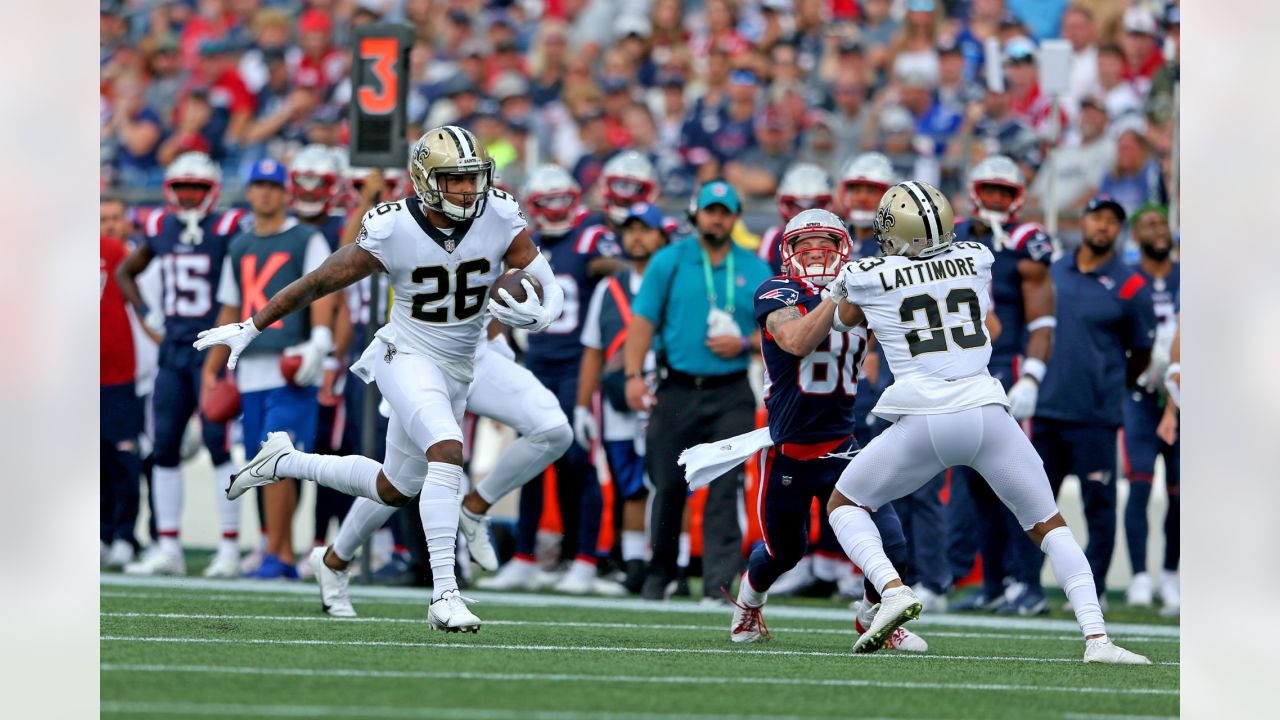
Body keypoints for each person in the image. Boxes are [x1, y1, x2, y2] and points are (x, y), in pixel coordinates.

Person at [199, 126, 564, 632]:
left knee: (396, 488)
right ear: (425, 181)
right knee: (447, 448)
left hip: (464, 360)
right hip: (407, 353)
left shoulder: (498, 212)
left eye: (473, 178)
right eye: (454, 181)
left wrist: (543, 313)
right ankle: (444, 595)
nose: (467, 190)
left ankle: (291, 470)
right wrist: (253, 325)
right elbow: (321, 279)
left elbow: (542, 275)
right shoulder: (394, 228)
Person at [823, 179, 1148, 664]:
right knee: (1051, 527)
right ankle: (1098, 638)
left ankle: (891, 588)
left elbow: (845, 320)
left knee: (845, 504)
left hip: (925, 421)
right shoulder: (977, 257)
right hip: (987, 414)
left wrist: (842, 282)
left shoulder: (869, 273)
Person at [679, 208, 926, 652]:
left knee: (894, 546)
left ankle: (874, 617)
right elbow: (796, 341)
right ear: (787, 253)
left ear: (844, 250)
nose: (816, 254)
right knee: (784, 552)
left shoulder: (858, 294)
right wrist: (836, 294)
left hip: (844, 447)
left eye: (826, 246)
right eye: (805, 247)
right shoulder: (776, 291)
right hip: (790, 451)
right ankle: (749, 603)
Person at [478, 162, 629, 595]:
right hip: (537, 365)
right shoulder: (527, 246)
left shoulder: (590, 238)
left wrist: (603, 266)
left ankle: (584, 561)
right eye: (548, 203)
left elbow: (618, 269)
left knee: (578, 462)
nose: (557, 210)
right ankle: (525, 558)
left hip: (579, 367)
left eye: (564, 201)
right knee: (530, 462)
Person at [624, 180, 772, 603]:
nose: (717, 218)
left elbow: (775, 331)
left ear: (735, 217)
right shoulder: (669, 260)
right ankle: (662, 574)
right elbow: (643, 323)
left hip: (730, 390)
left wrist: (743, 344)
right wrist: (634, 375)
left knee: (725, 489)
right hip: (678, 388)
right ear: (696, 213)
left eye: (725, 211)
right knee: (668, 484)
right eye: (711, 210)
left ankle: (718, 583)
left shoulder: (754, 268)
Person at [200, 157, 336, 580]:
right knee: (263, 462)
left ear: (285, 192)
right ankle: (274, 547)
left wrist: (320, 340)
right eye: (258, 185)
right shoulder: (240, 244)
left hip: (290, 361)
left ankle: (280, 553)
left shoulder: (306, 238)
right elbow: (230, 303)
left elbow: (323, 289)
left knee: (277, 460)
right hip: (251, 367)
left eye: (273, 186)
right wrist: (213, 365)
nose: (265, 193)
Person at [114, 153, 248, 578]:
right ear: (170, 191)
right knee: (165, 445)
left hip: (213, 349)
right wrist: (149, 317)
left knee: (217, 443)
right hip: (173, 349)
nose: (189, 198)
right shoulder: (160, 227)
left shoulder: (228, 228)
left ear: (213, 192)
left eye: (197, 189)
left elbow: (246, 279)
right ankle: (168, 545)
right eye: (182, 189)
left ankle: (229, 549)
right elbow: (125, 273)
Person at [1032, 195, 1156, 602]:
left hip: (1097, 416)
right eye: (1097, 218)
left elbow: (1141, 351)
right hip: (1047, 409)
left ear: (1118, 231)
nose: (1103, 227)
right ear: (1083, 223)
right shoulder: (1052, 270)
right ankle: (1025, 585)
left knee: (1098, 509)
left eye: (1111, 222)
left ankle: (1093, 587)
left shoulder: (1132, 284)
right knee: (1032, 504)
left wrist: (1111, 383)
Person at [947, 155, 1056, 616]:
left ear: (1017, 198)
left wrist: (1031, 374)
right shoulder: (952, 241)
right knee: (977, 482)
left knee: (1017, 479)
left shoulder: (1025, 244)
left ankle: (1028, 586)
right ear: (975, 192)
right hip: (966, 370)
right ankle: (994, 583)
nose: (994, 200)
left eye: (1003, 192)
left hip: (1007, 368)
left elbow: (1043, 318)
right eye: (988, 190)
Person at [575, 203, 670, 594]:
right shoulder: (608, 289)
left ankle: (673, 567)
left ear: (662, 236)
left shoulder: (672, 280)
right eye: (630, 229)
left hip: (666, 393)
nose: (637, 237)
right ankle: (633, 566)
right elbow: (593, 350)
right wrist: (582, 404)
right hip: (618, 399)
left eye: (645, 229)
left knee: (667, 482)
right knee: (630, 483)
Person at [1121, 204, 1180, 616]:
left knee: (1181, 492)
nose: (1158, 231)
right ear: (1136, 235)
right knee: (1139, 485)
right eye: (1148, 225)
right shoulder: (1127, 279)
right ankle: (1140, 575)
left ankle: (1172, 574)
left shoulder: (1188, 275)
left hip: (1184, 393)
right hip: (1140, 394)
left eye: (1162, 223)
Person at [101, 207, 143, 571]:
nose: (108, 226)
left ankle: (126, 535)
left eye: (114, 217)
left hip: (124, 375)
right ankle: (100, 534)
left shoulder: (122, 255)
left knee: (126, 461)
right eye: (101, 219)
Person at [757, 163, 834, 275]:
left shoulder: (841, 237)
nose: (804, 215)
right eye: (796, 206)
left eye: (812, 206)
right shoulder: (772, 238)